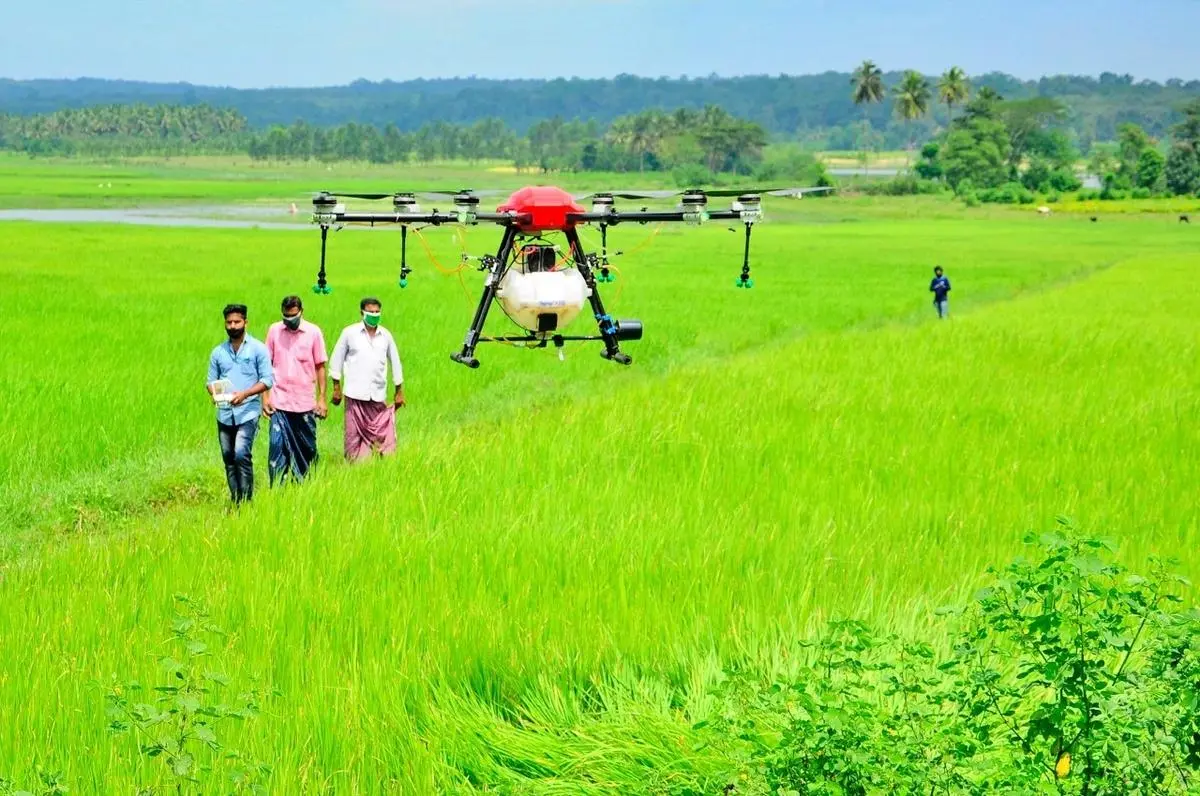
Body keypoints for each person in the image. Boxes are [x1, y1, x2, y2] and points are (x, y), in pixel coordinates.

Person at [206, 304, 273, 505]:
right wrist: (215, 393)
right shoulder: (218, 352)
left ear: (246, 322)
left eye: (237, 322)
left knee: (241, 454)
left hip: (248, 412)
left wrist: (244, 394)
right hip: (224, 413)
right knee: (228, 457)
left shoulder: (258, 349)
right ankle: (236, 500)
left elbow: (267, 380)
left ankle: (246, 501)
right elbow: (210, 381)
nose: (233, 326)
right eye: (229, 322)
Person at [328, 297, 406, 461]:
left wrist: (399, 390)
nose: (374, 314)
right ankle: (356, 466)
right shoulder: (350, 333)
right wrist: (336, 387)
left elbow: (396, 362)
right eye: (370, 311)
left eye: (377, 312)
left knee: (383, 434)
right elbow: (336, 359)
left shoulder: (385, 335)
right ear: (361, 312)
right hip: (354, 395)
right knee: (353, 439)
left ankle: (381, 464)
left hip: (377, 395)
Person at [264, 295, 328, 486]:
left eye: (293, 316)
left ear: (301, 312)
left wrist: (322, 398)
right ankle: (278, 491)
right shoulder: (274, 331)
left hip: (305, 403)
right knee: (276, 447)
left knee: (306, 449)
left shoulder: (313, 332)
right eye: (286, 316)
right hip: (279, 402)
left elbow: (320, 366)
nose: (289, 320)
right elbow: (266, 365)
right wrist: (265, 397)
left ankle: (303, 488)